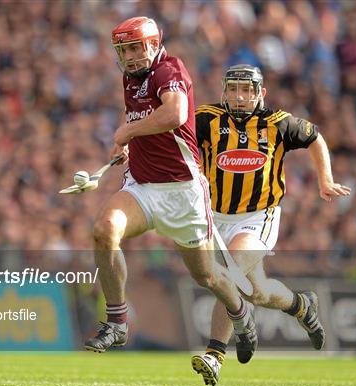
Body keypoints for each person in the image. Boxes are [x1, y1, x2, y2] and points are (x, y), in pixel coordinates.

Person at [84, 18, 257, 357]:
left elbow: (175, 114)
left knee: (206, 276)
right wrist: (129, 145)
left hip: (182, 191)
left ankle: (240, 311)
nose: (131, 56)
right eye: (125, 50)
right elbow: (143, 122)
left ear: (153, 44)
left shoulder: (169, 69)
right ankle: (117, 322)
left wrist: (126, 133)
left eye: (137, 47)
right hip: (143, 187)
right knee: (104, 230)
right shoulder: (130, 79)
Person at [191, 64, 351, 385]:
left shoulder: (277, 123)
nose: (239, 96)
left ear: (260, 92)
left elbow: (316, 138)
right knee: (257, 292)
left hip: (257, 216)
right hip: (215, 217)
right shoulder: (206, 118)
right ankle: (301, 305)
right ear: (224, 91)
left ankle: (215, 353)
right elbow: (170, 138)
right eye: (233, 89)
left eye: (246, 90)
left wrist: (325, 180)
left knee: (230, 274)